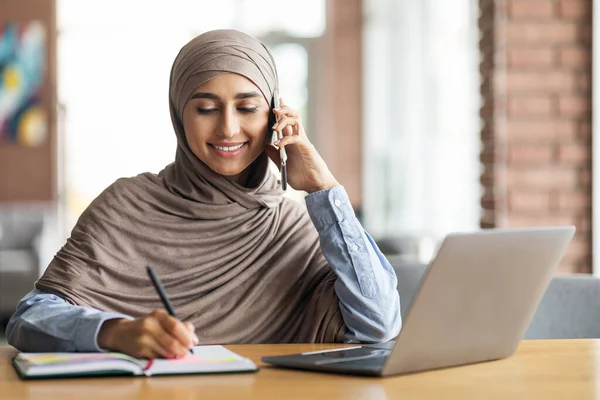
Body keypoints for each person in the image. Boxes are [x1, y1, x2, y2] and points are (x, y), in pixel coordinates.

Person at [6, 29, 401, 359]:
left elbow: (378, 324)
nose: (228, 129)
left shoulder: (292, 226)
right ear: (179, 116)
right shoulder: (125, 204)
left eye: (247, 108)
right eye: (206, 109)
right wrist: (114, 332)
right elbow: (28, 319)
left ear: (275, 115)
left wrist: (322, 186)